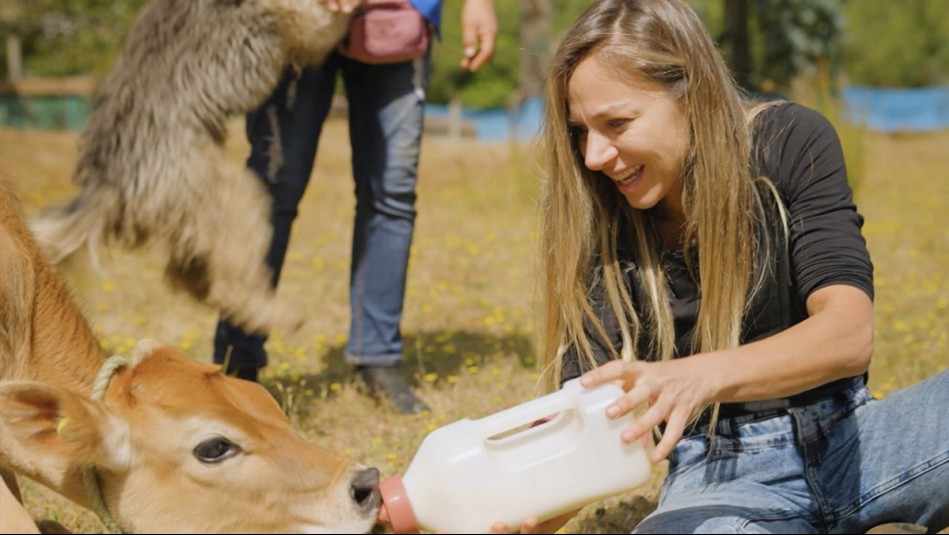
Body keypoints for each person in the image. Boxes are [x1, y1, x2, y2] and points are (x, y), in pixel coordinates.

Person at [490, 0, 949, 533]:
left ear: (692, 97)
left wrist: (696, 377)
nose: (592, 156)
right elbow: (581, 425)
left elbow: (848, 335)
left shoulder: (790, 141)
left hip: (859, 441)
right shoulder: (601, 220)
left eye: (616, 123)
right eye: (580, 131)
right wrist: (528, 515)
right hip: (718, 481)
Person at [213, 0, 497, 415]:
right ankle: (237, 362)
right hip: (298, 12)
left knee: (392, 194)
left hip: (400, 14)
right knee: (272, 188)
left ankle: (377, 359)